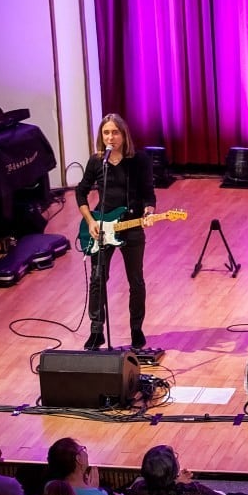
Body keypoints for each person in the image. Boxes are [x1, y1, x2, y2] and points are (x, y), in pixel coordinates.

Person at [75, 113, 157, 350]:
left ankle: (136, 330)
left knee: (136, 280)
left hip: (130, 227)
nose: (111, 137)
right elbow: (81, 192)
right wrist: (90, 220)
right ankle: (96, 331)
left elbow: (148, 193)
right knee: (98, 279)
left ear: (124, 134)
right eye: (106, 132)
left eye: (115, 132)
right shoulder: (97, 162)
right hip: (101, 227)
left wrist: (149, 211)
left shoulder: (139, 161)